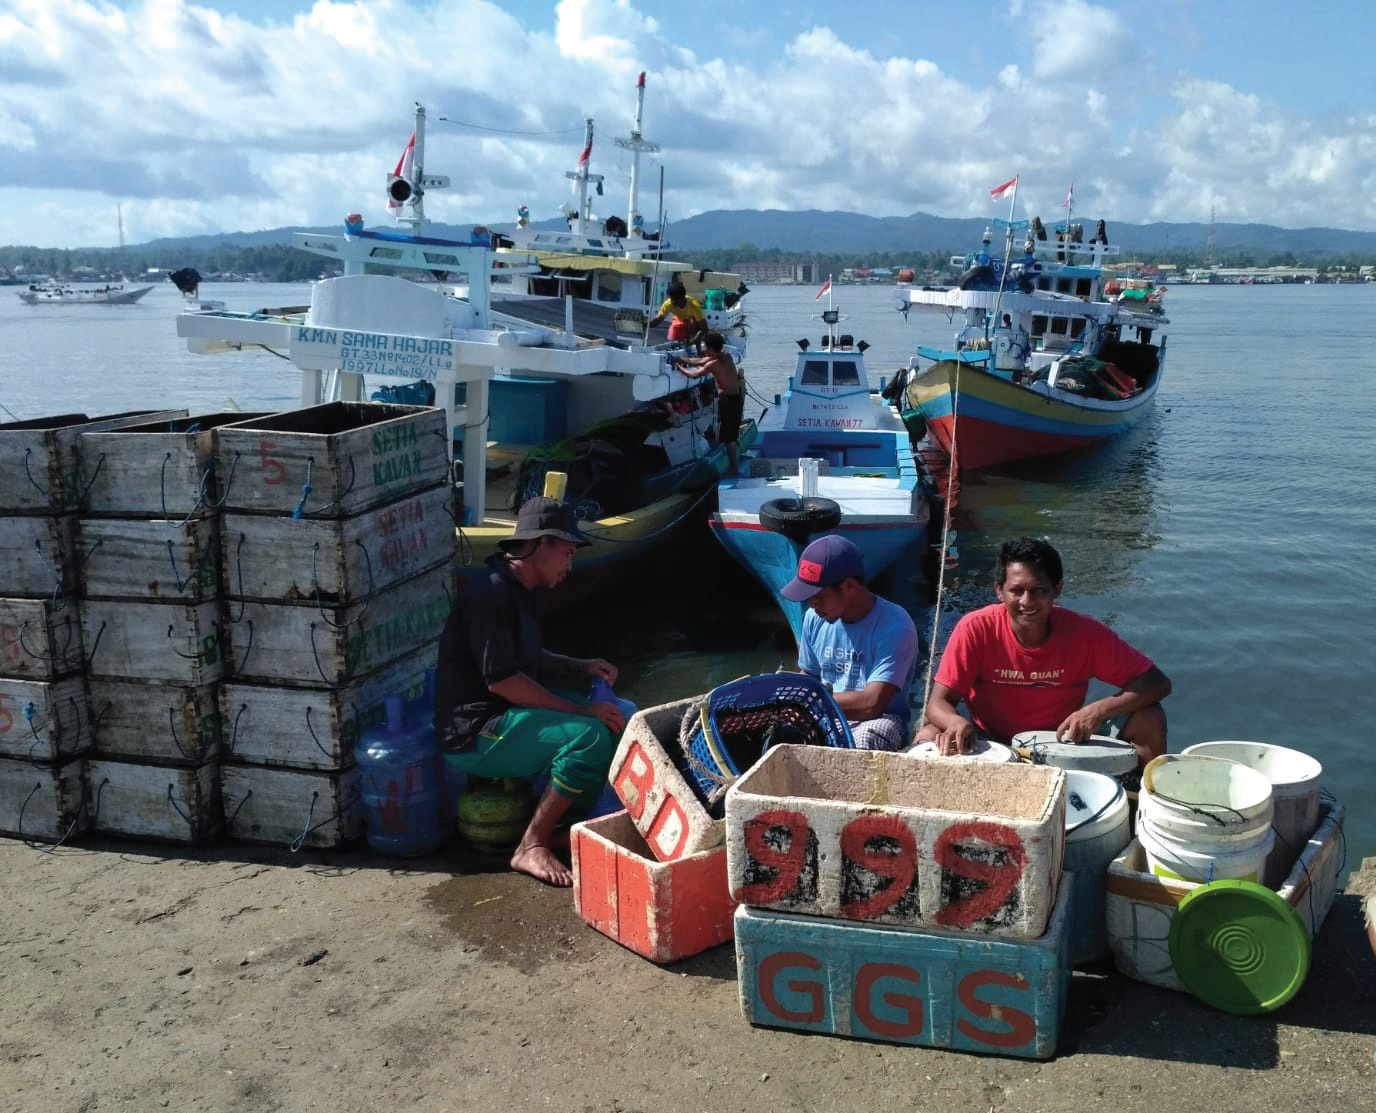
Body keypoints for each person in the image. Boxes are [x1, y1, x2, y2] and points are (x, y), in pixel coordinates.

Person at [433, 496, 626, 887]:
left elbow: (526, 654)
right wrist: (580, 714)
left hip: (507, 716)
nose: (570, 565)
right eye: (567, 553)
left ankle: (565, 827)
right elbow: (503, 680)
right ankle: (530, 845)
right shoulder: (489, 593)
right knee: (588, 734)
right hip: (476, 733)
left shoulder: (527, 589)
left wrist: (580, 665)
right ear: (542, 545)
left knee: (617, 715)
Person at [914, 537, 1170, 767]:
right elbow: (938, 702)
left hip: (1063, 739)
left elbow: (1157, 683)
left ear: (1057, 590)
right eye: (1016, 591)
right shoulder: (975, 628)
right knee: (928, 735)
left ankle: (1137, 802)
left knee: (1149, 715)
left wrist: (1097, 711)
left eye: (1038, 590)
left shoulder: (1085, 632)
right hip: (990, 740)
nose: (1027, 602)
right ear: (999, 591)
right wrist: (956, 722)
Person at [780, 535, 919, 751]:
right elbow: (810, 675)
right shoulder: (813, 618)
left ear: (849, 586)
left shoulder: (895, 624)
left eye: (819, 596)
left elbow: (872, 704)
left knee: (864, 739)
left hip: (879, 720)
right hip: (825, 711)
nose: (812, 603)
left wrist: (808, 701)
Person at [672, 331, 744, 471]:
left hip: (727, 401)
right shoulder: (726, 356)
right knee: (732, 435)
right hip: (737, 399)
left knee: (728, 437)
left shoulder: (714, 364)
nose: (705, 350)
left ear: (711, 349)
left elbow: (694, 375)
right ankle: (734, 463)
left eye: (706, 348)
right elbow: (701, 361)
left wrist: (680, 368)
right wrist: (683, 359)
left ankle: (733, 469)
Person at [647, 281, 707, 345]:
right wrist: (645, 325)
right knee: (673, 338)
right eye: (670, 299)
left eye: (673, 299)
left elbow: (704, 329)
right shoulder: (668, 303)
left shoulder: (694, 305)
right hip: (680, 320)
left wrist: (692, 342)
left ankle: (698, 351)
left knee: (694, 322)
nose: (671, 302)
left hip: (693, 322)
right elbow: (658, 320)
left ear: (681, 298)